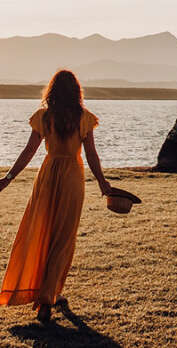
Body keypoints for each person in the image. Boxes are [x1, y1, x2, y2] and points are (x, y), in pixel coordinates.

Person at [0, 70, 112, 324]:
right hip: (72, 176)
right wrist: (103, 183)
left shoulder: (44, 117)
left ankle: (48, 293)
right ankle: (48, 297)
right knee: (63, 238)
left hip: (48, 175)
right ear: (76, 91)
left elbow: (29, 151)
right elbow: (92, 155)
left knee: (41, 232)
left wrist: (8, 179)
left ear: (51, 90)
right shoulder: (83, 118)